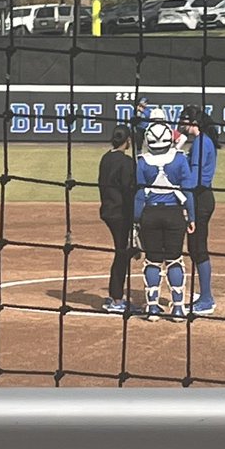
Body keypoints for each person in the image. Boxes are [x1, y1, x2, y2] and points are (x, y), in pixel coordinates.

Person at [134, 115, 195, 320]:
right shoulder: (179, 158)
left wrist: (135, 220)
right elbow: (188, 191)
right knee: (174, 260)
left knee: (152, 261)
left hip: (150, 214)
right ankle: (178, 308)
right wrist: (192, 217)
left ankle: (152, 308)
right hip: (174, 214)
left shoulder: (142, 161)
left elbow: (139, 194)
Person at [179, 103, 219, 313]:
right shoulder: (203, 141)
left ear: (193, 122)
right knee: (195, 247)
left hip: (199, 199)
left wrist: (188, 207)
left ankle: (206, 299)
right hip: (203, 197)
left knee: (198, 248)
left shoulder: (201, 143)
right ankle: (204, 293)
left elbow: (193, 180)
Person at [97, 125, 136, 314]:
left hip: (108, 210)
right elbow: (129, 191)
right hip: (121, 214)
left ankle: (116, 296)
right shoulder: (126, 162)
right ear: (127, 141)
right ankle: (116, 298)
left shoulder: (106, 158)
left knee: (123, 251)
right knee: (123, 252)